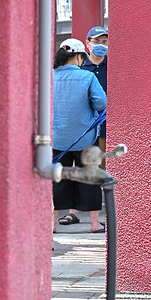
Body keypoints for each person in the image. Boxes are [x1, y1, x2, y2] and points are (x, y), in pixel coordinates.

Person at [52, 38, 107, 233]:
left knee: (58, 179)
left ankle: (52, 223)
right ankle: (94, 223)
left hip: (57, 139)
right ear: (77, 57)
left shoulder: (49, 77)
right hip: (84, 139)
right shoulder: (87, 77)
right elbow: (101, 103)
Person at [83, 25, 108, 149]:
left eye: (104, 42)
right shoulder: (80, 67)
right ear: (87, 43)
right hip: (86, 127)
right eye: (97, 42)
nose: (101, 45)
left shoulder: (113, 66)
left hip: (108, 127)